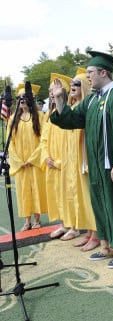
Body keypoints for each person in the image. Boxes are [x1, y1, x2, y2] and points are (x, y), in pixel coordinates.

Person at [50, 50, 113, 269]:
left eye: (90, 72)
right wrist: (60, 98)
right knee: (100, 205)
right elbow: (70, 119)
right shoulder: (91, 100)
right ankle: (106, 246)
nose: (87, 77)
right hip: (97, 164)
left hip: (112, 165)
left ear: (103, 72)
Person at [63, 67, 99, 251]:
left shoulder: (87, 107)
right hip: (74, 160)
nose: (72, 87)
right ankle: (88, 232)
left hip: (85, 159)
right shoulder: (74, 107)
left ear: (84, 85)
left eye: (76, 84)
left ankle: (96, 233)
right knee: (81, 198)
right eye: (71, 84)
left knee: (88, 197)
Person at [8, 83, 47, 231]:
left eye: (24, 97)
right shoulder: (13, 119)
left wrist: (33, 158)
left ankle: (37, 220)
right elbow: (10, 142)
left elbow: (44, 139)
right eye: (19, 97)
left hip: (34, 161)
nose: (21, 99)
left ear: (30, 99)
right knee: (23, 191)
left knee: (36, 188)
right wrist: (18, 161)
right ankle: (27, 221)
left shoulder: (40, 117)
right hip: (21, 162)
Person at [41, 73, 74, 240]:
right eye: (50, 91)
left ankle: (73, 226)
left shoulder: (68, 113)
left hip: (65, 162)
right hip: (51, 161)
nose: (52, 94)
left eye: (54, 90)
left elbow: (71, 141)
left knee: (69, 193)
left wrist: (60, 162)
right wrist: (46, 157)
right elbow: (44, 139)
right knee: (56, 194)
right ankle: (63, 224)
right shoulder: (48, 115)